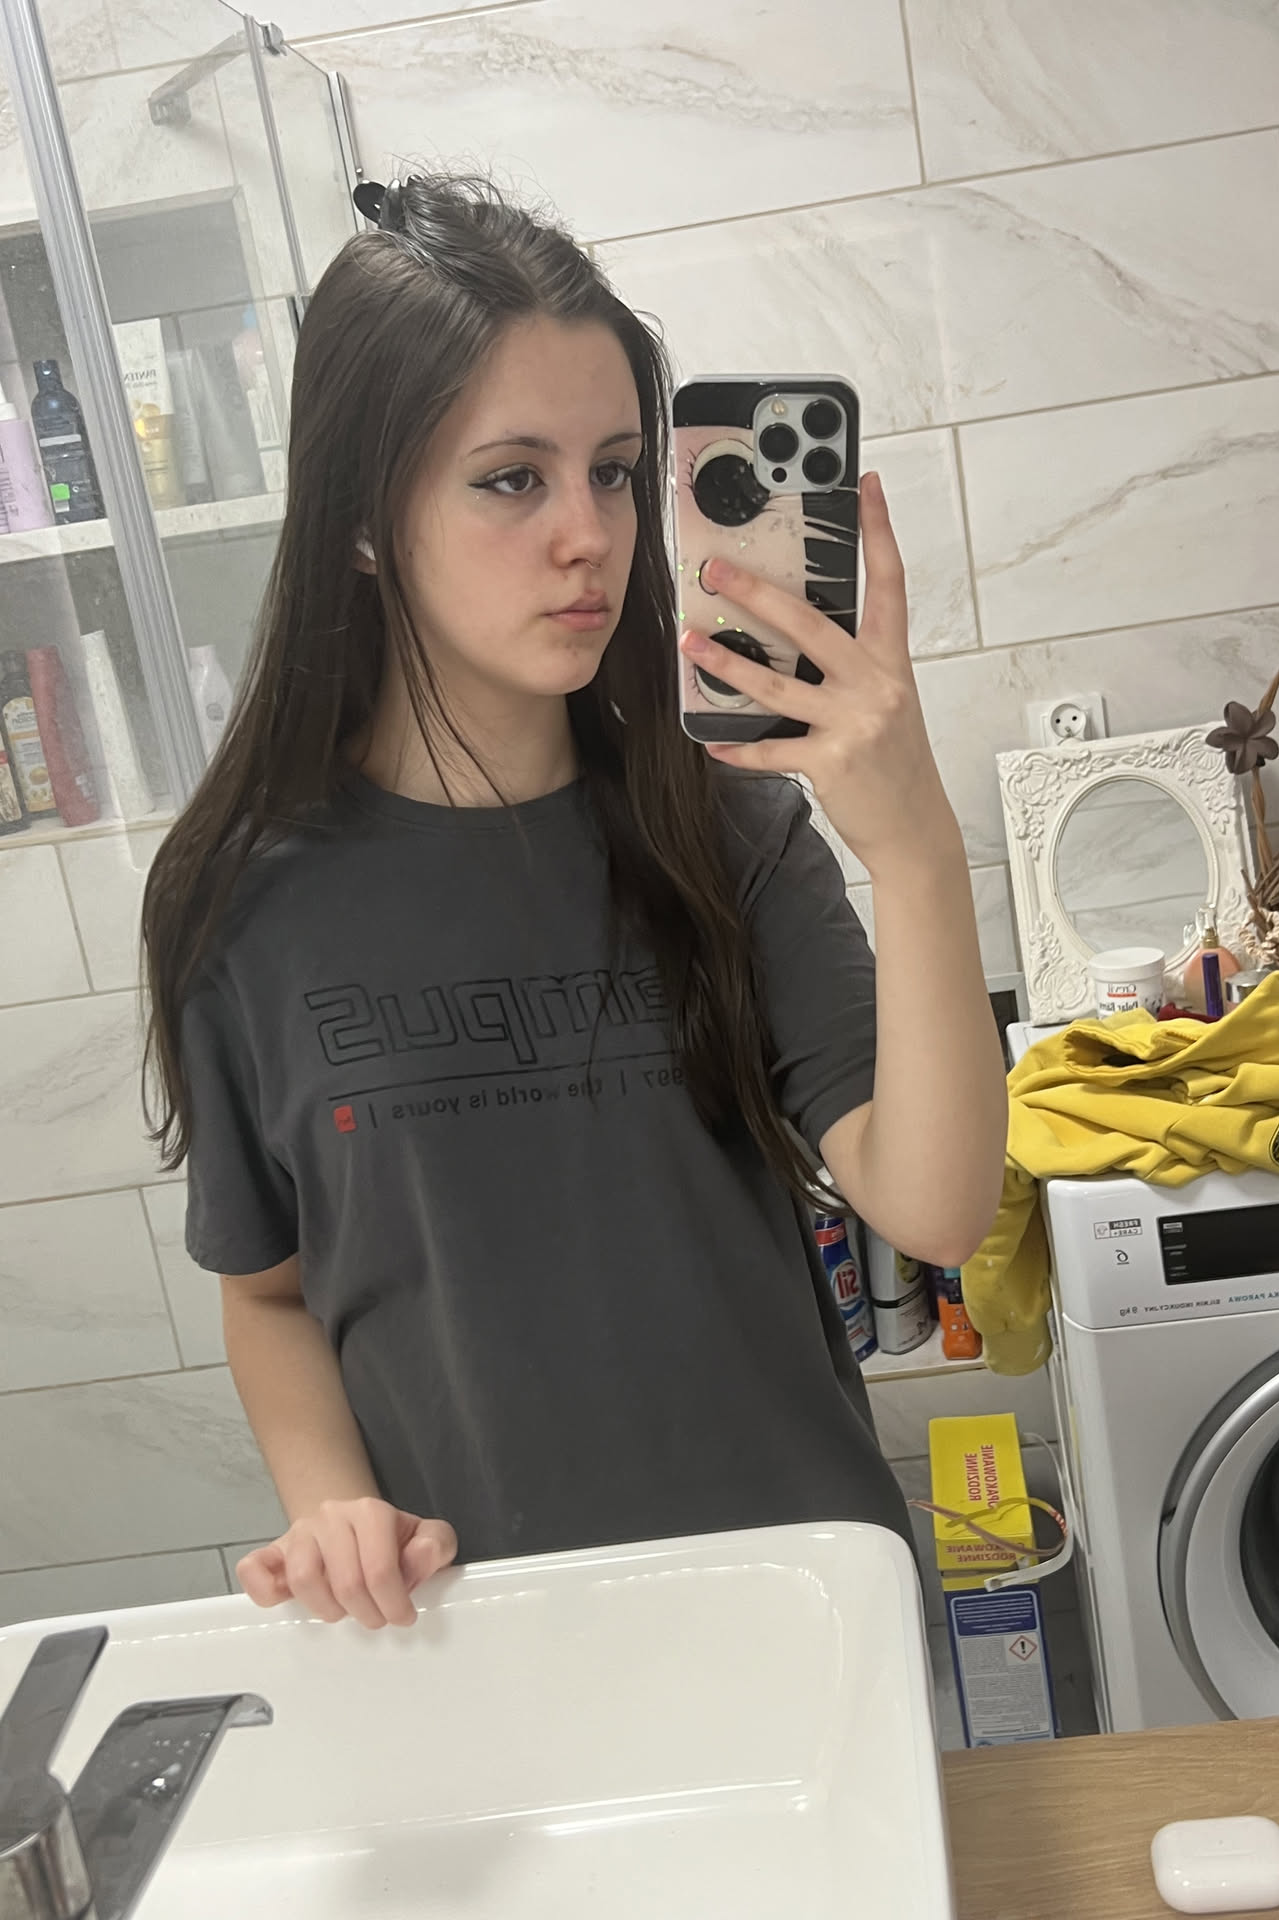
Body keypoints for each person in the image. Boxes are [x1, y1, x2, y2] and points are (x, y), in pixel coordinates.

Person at [140, 175, 1007, 1632]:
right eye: (511, 479)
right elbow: (268, 1289)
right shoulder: (244, 906)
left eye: (613, 471)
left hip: (797, 1611)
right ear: (363, 518)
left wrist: (915, 846)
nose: (589, 534)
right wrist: (333, 1503)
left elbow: (938, 1202)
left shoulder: (723, 828)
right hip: (482, 1640)